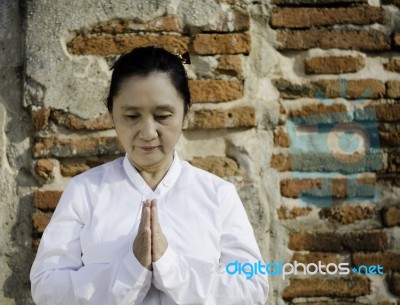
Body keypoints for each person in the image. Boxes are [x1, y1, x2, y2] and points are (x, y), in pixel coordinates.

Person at [30, 46, 269, 305]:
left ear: (186, 113)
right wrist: (130, 269)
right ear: (112, 115)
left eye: (163, 116)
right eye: (131, 116)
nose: (147, 132)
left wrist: (170, 267)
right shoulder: (85, 191)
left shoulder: (218, 194)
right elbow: (46, 286)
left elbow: (253, 285)